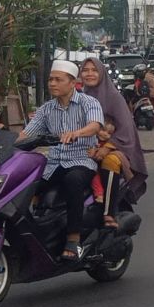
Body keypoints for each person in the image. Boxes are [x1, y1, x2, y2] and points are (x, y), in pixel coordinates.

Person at [18, 59, 105, 261]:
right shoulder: (46, 109)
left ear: (72, 82)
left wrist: (77, 133)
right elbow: (26, 135)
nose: (52, 84)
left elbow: (95, 126)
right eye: (50, 79)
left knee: (73, 181)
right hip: (53, 163)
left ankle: (73, 240)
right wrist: (1, 141)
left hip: (81, 160)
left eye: (58, 80)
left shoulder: (88, 102)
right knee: (27, 185)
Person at [76, 56, 148, 208]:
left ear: (101, 73)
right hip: (87, 144)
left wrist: (105, 147)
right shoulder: (80, 96)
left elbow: (126, 128)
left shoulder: (113, 97)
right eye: (85, 70)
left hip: (116, 145)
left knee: (110, 161)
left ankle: (109, 211)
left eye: (94, 70)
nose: (89, 74)